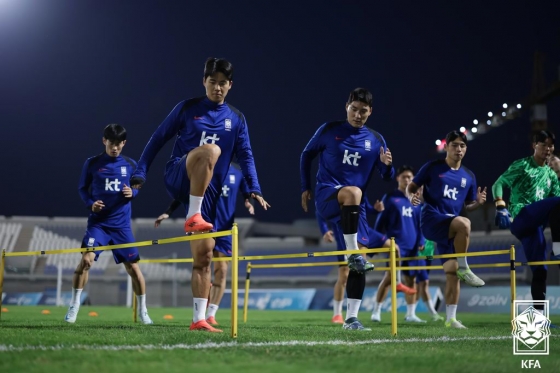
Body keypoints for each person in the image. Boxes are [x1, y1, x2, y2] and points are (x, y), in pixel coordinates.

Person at [131, 58, 269, 332]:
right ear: (204, 81)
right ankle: (193, 215)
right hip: (179, 175)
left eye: (223, 83)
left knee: (204, 257)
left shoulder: (237, 119)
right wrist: (140, 172)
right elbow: (157, 139)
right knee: (212, 151)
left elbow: (247, 155)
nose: (217, 87)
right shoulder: (187, 108)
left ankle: (199, 319)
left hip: (208, 195)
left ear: (230, 85)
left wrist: (254, 187)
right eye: (212, 82)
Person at [301, 88, 394, 330]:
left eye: (364, 111)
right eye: (354, 109)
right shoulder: (329, 130)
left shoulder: (376, 140)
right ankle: (352, 253)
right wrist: (305, 187)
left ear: (370, 112)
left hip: (356, 207)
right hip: (328, 197)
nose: (358, 114)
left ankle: (351, 317)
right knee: (353, 192)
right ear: (347, 107)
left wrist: (388, 167)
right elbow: (306, 155)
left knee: (360, 261)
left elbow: (386, 176)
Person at [65, 124, 153, 325]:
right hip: (99, 224)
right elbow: (82, 188)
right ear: (104, 141)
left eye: (119, 144)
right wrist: (90, 204)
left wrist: (134, 192)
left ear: (124, 143)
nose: (115, 148)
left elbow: (138, 183)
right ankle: (74, 305)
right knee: (86, 261)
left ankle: (143, 311)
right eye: (111, 143)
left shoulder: (131, 164)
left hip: (122, 226)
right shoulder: (92, 163)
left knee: (133, 268)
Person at [155, 163, 254, 326]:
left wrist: (248, 202)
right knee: (203, 265)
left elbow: (246, 192)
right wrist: (168, 211)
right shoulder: (206, 167)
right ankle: (199, 312)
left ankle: (211, 314)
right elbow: (187, 193)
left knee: (222, 270)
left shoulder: (237, 172)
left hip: (226, 229)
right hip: (205, 225)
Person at [407, 130, 487, 329]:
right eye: (454, 145)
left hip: (450, 227)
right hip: (432, 220)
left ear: (466, 149)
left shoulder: (469, 176)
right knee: (465, 224)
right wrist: (412, 196)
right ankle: (465, 267)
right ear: (447, 147)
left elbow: (468, 206)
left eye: (462, 146)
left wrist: (477, 203)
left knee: (452, 274)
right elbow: (412, 186)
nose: (458, 149)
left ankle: (451, 318)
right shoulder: (433, 167)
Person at [492, 130, 560, 312]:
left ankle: (538, 318)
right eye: (543, 144)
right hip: (521, 217)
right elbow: (498, 184)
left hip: (534, 227)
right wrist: (500, 206)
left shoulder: (552, 176)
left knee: (540, 271)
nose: (548, 148)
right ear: (534, 146)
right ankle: (558, 249)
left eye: (551, 145)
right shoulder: (522, 165)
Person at [373, 165, 443, 323]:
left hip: (413, 247)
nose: (407, 180)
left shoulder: (416, 201)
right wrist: (376, 241)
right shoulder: (390, 197)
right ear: (398, 178)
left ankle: (410, 314)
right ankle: (376, 311)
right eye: (404, 177)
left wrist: (420, 241)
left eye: (410, 177)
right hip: (396, 246)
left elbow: (420, 224)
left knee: (411, 280)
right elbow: (380, 221)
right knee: (389, 278)